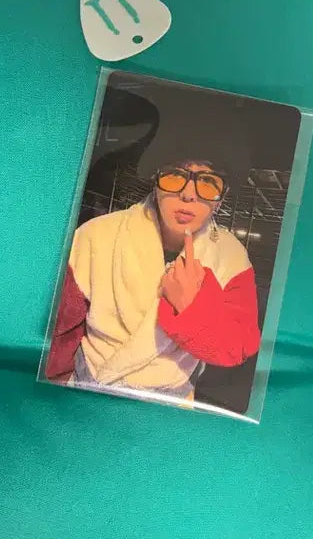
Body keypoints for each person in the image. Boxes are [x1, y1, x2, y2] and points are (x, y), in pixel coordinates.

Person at [46, 149, 261, 403]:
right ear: (156, 180)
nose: (188, 194)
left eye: (207, 181)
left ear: (220, 198)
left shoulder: (232, 257)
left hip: (171, 400)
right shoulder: (96, 235)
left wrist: (191, 308)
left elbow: (238, 346)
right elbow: (59, 329)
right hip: (89, 384)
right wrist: (55, 390)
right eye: (174, 176)